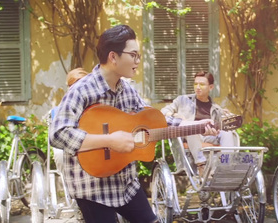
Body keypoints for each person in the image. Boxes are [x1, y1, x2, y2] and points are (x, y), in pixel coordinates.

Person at [49, 25, 215, 223]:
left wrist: (197, 125)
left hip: (126, 184)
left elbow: (154, 121)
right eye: (134, 55)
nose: (138, 61)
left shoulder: (128, 90)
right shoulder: (81, 91)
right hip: (92, 189)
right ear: (113, 57)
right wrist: (109, 140)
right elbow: (58, 134)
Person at [161, 71, 236, 176]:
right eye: (196, 84)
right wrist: (175, 115)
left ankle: (226, 166)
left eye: (202, 84)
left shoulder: (216, 108)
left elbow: (219, 127)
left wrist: (227, 117)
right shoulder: (182, 100)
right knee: (192, 127)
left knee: (227, 133)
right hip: (189, 135)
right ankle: (201, 165)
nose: (198, 87)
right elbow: (163, 112)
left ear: (210, 87)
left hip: (208, 136)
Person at [51, 67, 88, 173]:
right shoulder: (65, 106)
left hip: (90, 144)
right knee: (59, 154)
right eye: (73, 86)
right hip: (70, 143)